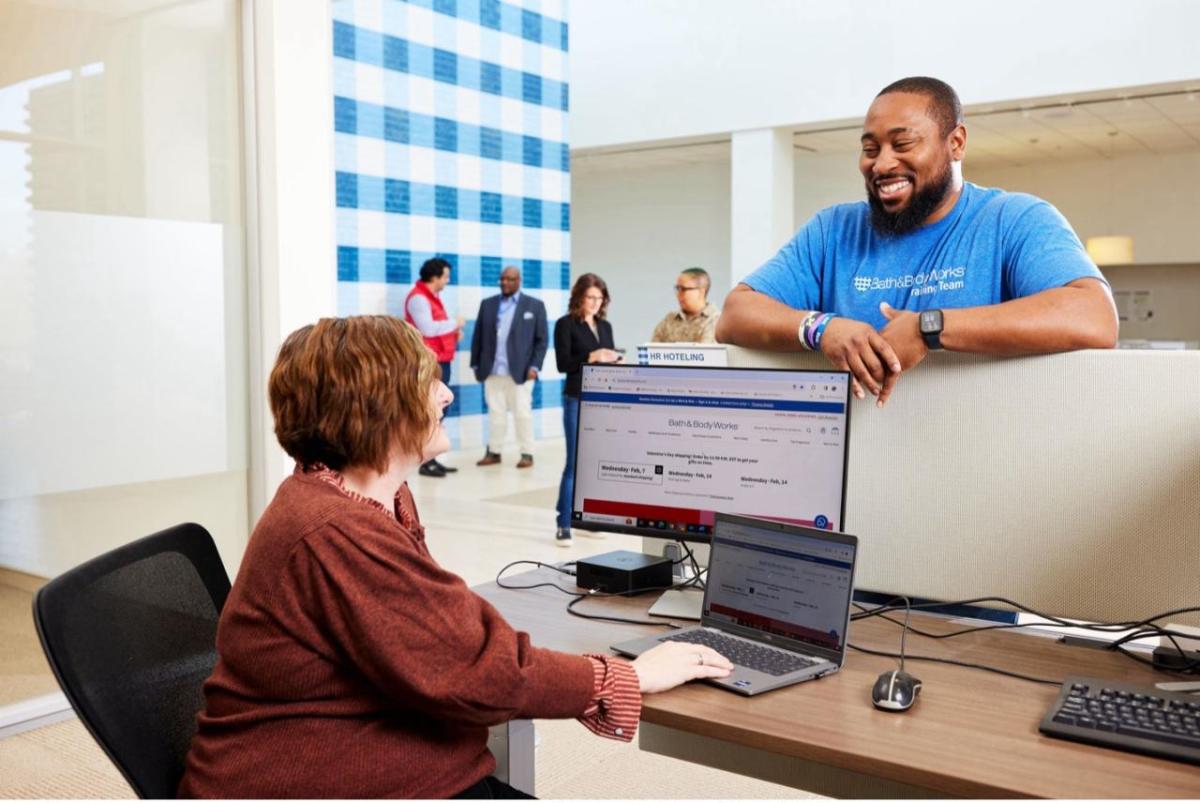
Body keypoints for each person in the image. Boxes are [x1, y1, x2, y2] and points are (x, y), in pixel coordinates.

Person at [177, 316, 732, 799]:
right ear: (377, 410)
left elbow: (442, 635)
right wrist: (622, 678)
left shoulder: (367, 498)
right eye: (429, 382)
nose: (445, 395)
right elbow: (476, 673)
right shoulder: (335, 530)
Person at [716, 76, 1118, 407]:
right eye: (870, 149)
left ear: (956, 142)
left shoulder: (1013, 219)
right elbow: (735, 315)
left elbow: (1093, 315)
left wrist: (930, 328)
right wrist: (822, 328)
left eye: (903, 143)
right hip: (850, 471)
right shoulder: (833, 229)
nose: (882, 163)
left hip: (981, 465)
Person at [553, 274, 620, 547]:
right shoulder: (565, 325)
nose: (595, 303)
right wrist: (592, 357)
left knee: (593, 462)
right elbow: (563, 363)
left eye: (599, 298)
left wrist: (615, 360)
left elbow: (609, 357)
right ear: (579, 297)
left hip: (601, 399)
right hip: (576, 397)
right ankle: (564, 523)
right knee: (574, 462)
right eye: (590, 297)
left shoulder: (605, 326)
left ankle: (587, 519)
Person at [470, 266, 548, 469]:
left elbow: (542, 341)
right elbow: (478, 335)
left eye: (510, 279)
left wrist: (535, 367)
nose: (505, 282)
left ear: (519, 280)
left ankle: (527, 453)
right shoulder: (487, 305)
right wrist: (476, 364)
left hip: (521, 372)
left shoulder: (535, 305)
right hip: (492, 371)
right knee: (495, 415)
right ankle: (494, 452)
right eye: (502, 279)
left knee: (522, 414)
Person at [405, 256, 465, 477]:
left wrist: (453, 334)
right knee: (430, 410)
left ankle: (431, 458)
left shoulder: (433, 297)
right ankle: (424, 459)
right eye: (446, 276)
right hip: (431, 362)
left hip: (442, 358)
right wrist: (455, 323)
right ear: (435, 276)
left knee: (440, 410)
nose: (447, 281)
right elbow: (428, 329)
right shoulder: (419, 298)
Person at [650, 267, 720, 343]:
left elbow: (703, 353)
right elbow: (653, 350)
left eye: (683, 289)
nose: (678, 295)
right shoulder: (669, 319)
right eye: (677, 288)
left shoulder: (715, 320)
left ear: (701, 292)